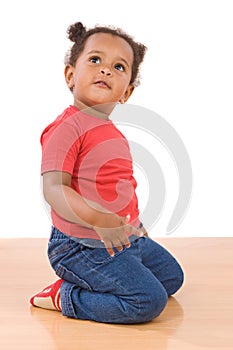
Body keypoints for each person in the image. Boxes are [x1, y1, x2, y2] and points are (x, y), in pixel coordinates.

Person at [30, 22, 184, 324]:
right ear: (70, 75)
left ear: (126, 92)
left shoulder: (111, 132)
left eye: (118, 66)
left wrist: (134, 224)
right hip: (79, 245)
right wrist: (98, 219)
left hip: (122, 236)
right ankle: (66, 297)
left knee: (172, 278)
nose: (106, 71)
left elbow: (120, 186)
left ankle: (110, 275)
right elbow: (54, 188)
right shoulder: (67, 128)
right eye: (95, 60)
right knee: (148, 302)